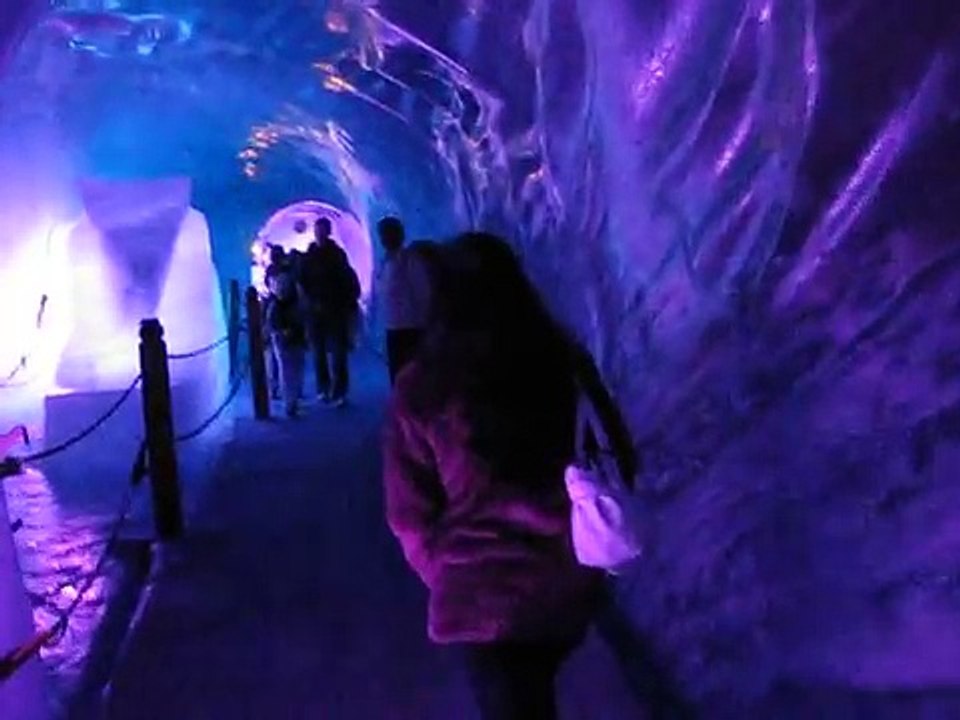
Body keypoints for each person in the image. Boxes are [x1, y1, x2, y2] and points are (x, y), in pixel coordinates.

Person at [383, 233, 602, 720]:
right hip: (565, 579)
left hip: (481, 594)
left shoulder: (424, 385)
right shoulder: (561, 362)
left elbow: (409, 515)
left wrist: (444, 570)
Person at [299, 217, 361, 407]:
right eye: (317, 230)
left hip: (335, 309)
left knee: (337, 351)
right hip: (316, 310)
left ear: (328, 231)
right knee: (319, 351)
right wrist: (308, 302)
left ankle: (339, 390)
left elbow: (345, 280)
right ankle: (323, 388)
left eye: (322, 230)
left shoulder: (337, 255)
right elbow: (301, 281)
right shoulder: (309, 256)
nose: (319, 234)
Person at [375, 217, 435, 384]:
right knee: (397, 374)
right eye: (382, 235)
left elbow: (423, 292)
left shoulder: (411, 260)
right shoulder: (385, 262)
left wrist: (425, 321)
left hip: (411, 327)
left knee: (413, 374)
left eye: (387, 234)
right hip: (393, 327)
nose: (384, 239)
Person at [265, 265, 307, 417]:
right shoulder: (293, 303)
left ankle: (291, 402)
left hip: (286, 339)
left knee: (288, 371)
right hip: (290, 339)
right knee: (293, 370)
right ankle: (292, 402)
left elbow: (272, 322)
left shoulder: (275, 305)